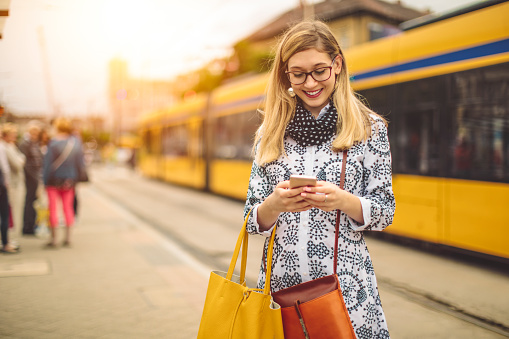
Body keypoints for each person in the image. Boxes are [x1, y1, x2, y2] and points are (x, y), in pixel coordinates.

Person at [243, 21, 395, 338]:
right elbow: (250, 219)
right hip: (280, 292)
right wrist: (272, 205)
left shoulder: (370, 129)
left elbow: (385, 211)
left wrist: (344, 200)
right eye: (298, 74)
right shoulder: (269, 134)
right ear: (285, 74)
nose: (310, 83)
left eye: (319, 71)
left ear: (337, 64)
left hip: (346, 293)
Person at [42, 118, 84, 247]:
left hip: (53, 181)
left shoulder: (53, 143)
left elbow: (47, 165)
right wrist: (76, 178)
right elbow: (80, 164)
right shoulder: (76, 143)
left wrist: (44, 181)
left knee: (53, 209)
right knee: (68, 208)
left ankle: (54, 239)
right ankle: (68, 238)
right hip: (69, 181)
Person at [2, 123, 26, 247]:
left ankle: (8, 239)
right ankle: (7, 240)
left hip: (13, 183)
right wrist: (21, 160)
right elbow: (17, 163)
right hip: (11, 184)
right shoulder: (5, 147)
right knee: (10, 212)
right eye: (13, 134)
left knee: (11, 212)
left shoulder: (11, 146)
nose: (15, 137)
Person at [19, 121, 43, 235]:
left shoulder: (35, 144)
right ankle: (27, 227)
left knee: (34, 201)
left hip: (36, 176)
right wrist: (34, 177)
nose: (35, 135)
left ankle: (32, 225)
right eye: (33, 132)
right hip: (31, 177)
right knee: (30, 200)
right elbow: (25, 163)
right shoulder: (25, 144)